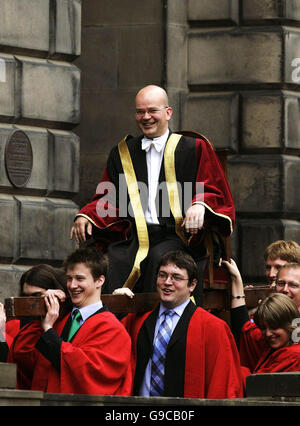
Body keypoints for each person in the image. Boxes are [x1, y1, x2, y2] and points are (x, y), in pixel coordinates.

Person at [70, 85, 235, 295]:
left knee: (159, 259)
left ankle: (152, 324)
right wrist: (87, 214)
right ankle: (114, 324)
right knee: (111, 261)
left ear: (168, 112)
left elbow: (214, 188)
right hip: (133, 238)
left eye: (152, 111)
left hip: (178, 237)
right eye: (140, 112)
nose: (146, 117)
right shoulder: (123, 152)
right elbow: (109, 196)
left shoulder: (194, 148)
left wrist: (199, 204)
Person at [115, 250, 244, 399]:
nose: (167, 282)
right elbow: (112, 349)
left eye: (176, 277)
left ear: (192, 285)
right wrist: (117, 305)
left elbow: (222, 385)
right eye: (162, 275)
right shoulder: (137, 321)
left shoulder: (213, 328)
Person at [8, 246, 132, 395]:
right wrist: (42, 306)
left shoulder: (113, 329)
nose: (72, 286)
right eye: (69, 279)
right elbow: (23, 356)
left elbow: (87, 372)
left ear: (99, 281)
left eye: (80, 279)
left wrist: (49, 331)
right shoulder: (58, 318)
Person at [224, 259, 300, 379]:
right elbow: (247, 331)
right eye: (281, 283)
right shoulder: (269, 332)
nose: (285, 289)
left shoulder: (293, 355)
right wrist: (237, 281)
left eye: (293, 285)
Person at [0, 264, 68, 364]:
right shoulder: (15, 323)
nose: (29, 302)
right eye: (25, 296)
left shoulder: (65, 321)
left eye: (36, 296)